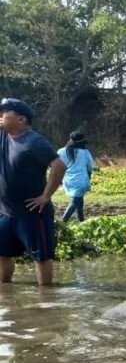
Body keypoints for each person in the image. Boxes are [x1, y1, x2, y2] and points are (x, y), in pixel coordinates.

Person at [0, 98, 65, 286]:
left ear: (21, 119)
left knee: (41, 257)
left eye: (5, 113)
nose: (1, 116)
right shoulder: (3, 136)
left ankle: (46, 299)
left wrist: (46, 196)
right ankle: (6, 294)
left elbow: (59, 165)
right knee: (3, 253)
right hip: (5, 212)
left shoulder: (34, 141)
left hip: (32, 213)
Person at [58, 131, 96, 222]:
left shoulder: (61, 151)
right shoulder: (85, 152)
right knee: (74, 202)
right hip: (81, 181)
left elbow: (58, 166)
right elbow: (91, 167)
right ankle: (62, 222)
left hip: (67, 181)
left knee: (79, 200)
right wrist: (89, 176)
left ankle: (81, 220)